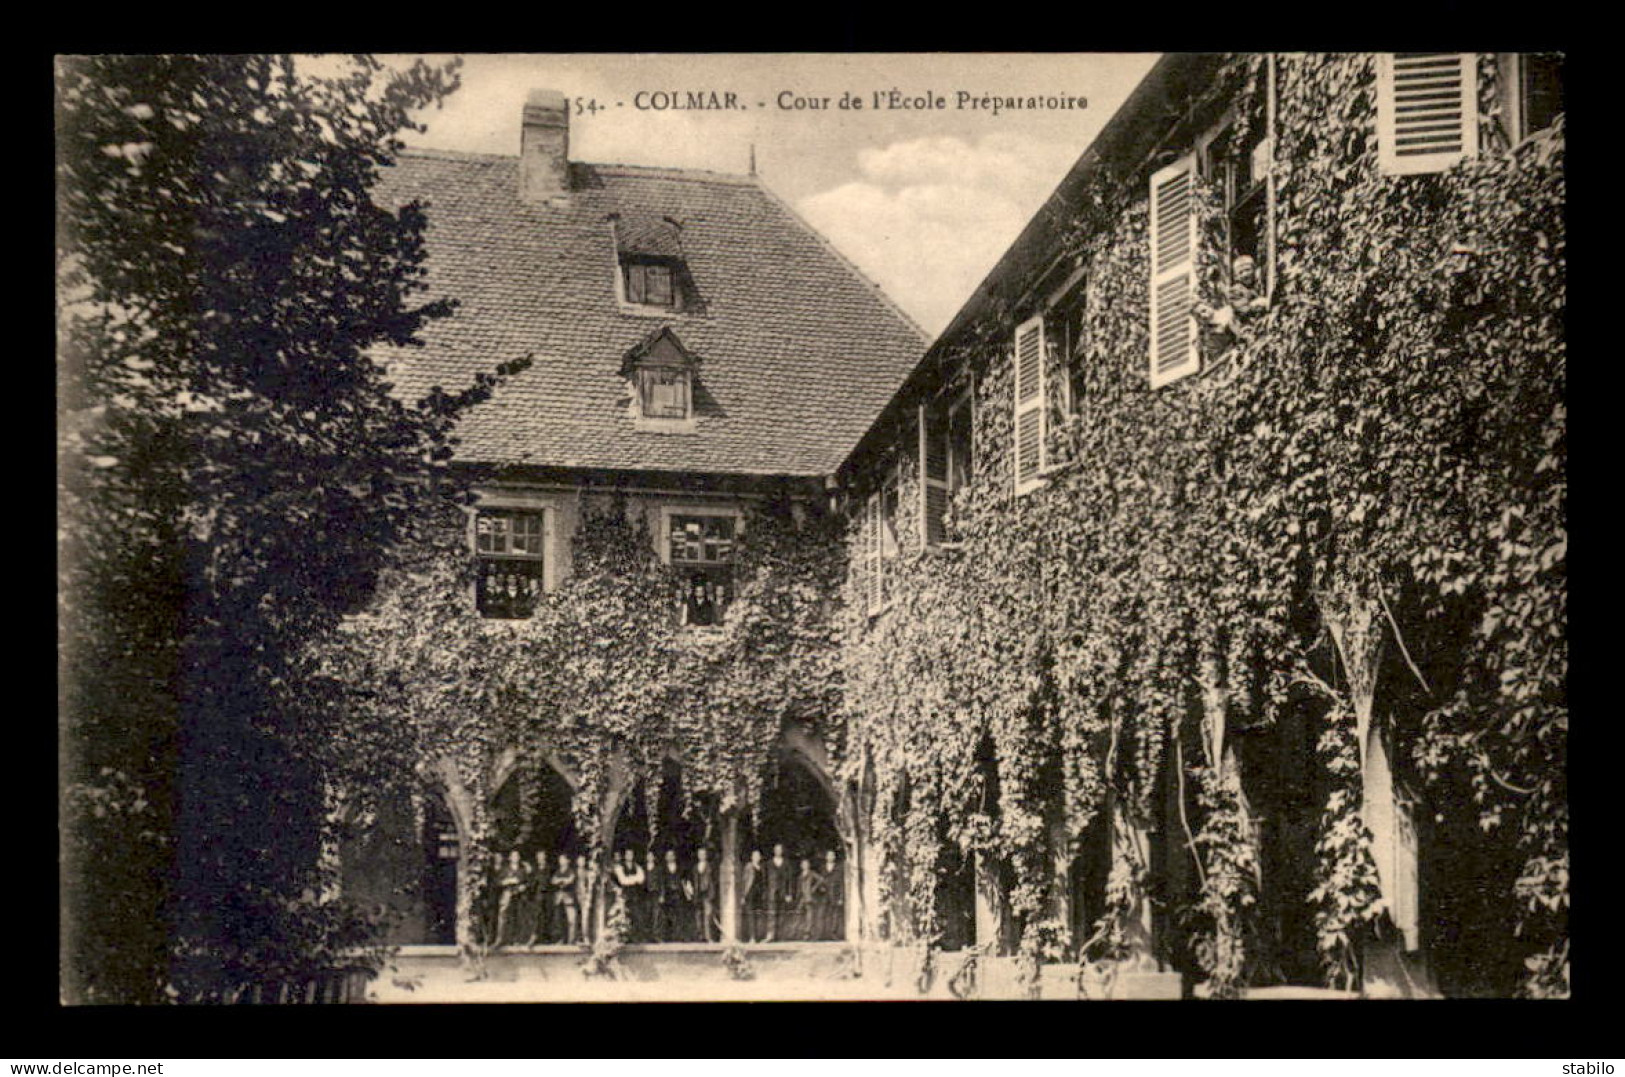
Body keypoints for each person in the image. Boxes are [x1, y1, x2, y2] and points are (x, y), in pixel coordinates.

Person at [612, 847, 647, 943]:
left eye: (631, 855)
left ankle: (636, 939)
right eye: (627, 854)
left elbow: (641, 879)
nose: (629, 856)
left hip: (635, 896)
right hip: (625, 896)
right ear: (625, 856)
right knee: (624, 916)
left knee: (637, 916)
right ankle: (625, 939)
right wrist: (634, 879)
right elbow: (623, 881)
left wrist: (631, 878)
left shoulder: (638, 867)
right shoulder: (619, 867)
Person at [494, 850, 527, 949]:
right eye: (513, 856)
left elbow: (527, 882)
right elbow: (497, 883)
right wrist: (507, 881)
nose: (515, 858)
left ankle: (516, 940)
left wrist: (523, 886)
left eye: (517, 856)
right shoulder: (504, 870)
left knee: (518, 917)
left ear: (519, 858)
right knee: (503, 917)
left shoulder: (522, 870)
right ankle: (500, 939)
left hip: (518, 896)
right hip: (507, 895)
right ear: (509, 858)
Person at [549, 852, 578, 945]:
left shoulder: (571, 870)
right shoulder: (558, 871)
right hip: (559, 898)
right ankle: (561, 939)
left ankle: (571, 940)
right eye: (560, 859)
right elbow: (553, 881)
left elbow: (570, 880)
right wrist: (562, 880)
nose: (561, 861)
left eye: (563, 859)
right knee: (559, 920)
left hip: (569, 898)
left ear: (568, 861)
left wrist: (560, 880)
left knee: (571, 919)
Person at [763, 843, 790, 943]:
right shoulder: (769, 863)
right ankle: (770, 935)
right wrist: (766, 892)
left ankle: (781, 936)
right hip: (772, 891)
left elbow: (789, 880)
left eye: (780, 849)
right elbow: (765, 879)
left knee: (782, 913)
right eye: (776, 849)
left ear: (782, 851)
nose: (778, 851)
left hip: (782, 892)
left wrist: (788, 893)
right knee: (771, 913)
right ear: (774, 851)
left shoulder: (786, 863)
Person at [657, 848, 685, 941]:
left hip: (678, 894)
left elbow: (684, 881)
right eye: (668, 856)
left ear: (675, 857)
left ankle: (678, 936)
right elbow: (661, 883)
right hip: (668, 895)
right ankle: (667, 937)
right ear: (665, 858)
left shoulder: (680, 868)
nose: (670, 857)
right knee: (667, 915)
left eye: (672, 855)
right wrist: (662, 895)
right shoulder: (662, 869)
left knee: (679, 915)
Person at [692, 847, 719, 943]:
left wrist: (712, 892)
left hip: (707, 893)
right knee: (698, 915)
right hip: (698, 893)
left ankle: (709, 937)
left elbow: (714, 880)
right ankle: (700, 936)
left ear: (706, 855)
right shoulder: (695, 867)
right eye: (700, 854)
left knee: (708, 915)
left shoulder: (710, 866)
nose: (701, 856)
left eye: (703, 854)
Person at [526, 849, 552, 947]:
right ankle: (534, 936)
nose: (540, 859)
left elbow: (549, 881)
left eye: (542, 857)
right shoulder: (535, 869)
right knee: (537, 915)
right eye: (538, 857)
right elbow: (531, 883)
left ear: (545, 857)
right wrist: (530, 874)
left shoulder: (549, 868)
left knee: (545, 916)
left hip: (548, 895)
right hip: (537, 895)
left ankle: (544, 938)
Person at [739, 848, 763, 943]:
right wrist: (743, 895)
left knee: (757, 915)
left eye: (758, 856)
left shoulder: (760, 868)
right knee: (750, 915)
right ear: (752, 857)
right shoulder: (748, 867)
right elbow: (744, 881)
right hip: (750, 893)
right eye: (755, 856)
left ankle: (756, 936)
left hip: (758, 894)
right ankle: (751, 937)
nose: (756, 858)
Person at [820, 849, 844, 941]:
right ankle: (824, 933)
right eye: (829, 855)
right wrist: (821, 888)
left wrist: (841, 897)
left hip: (835, 894)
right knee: (824, 913)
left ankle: (833, 933)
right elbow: (820, 881)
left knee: (835, 914)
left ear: (834, 857)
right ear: (826, 857)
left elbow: (841, 883)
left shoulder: (838, 868)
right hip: (824, 894)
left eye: (832, 855)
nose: (830, 857)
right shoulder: (822, 868)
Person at [793, 856, 818, 941]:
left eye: (806, 864)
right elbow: (798, 888)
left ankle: (808, 934)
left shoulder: (812, 873)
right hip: (802, 897)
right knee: (799, 914)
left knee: (809, 916)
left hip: (809, 897)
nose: (805, 866)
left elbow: (821, 880)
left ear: (809, 865)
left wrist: (813, 889)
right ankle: (799, 932)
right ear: (801, 866)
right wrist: (797, 896)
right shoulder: (800, 876)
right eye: (803, 864)